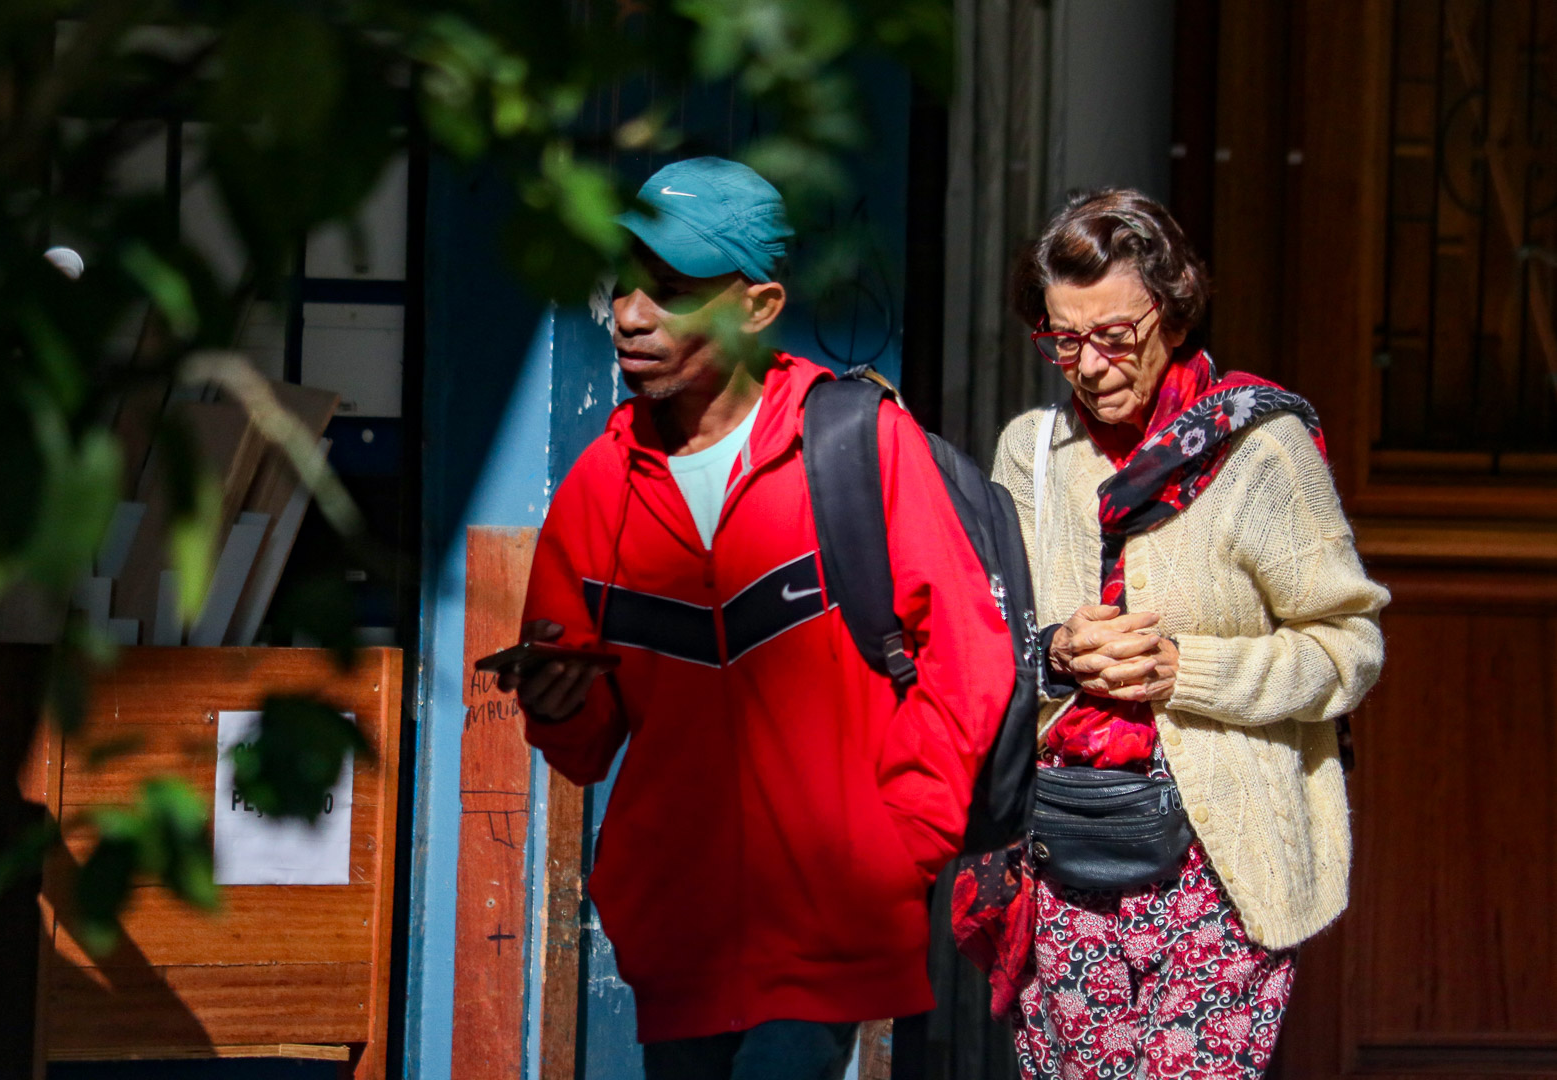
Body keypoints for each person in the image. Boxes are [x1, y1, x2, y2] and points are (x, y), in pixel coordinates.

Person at [501, 156, 1015, 1080]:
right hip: (676, 943)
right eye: (624, 284)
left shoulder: (862, 445)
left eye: (670, 290)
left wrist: (899, 844)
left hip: (835, 927)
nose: (628, 313)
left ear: (761, 305)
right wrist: (554, 702)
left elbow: (970, 664)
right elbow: (584, 745)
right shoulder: (595, 492)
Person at [962, 188, 1389, 1079]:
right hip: (1064, 853)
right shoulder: (1030, 454)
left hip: (1221, 865)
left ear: (1175, 310)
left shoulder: (1258, 451)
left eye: (1115, 335)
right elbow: (982, 648)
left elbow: (1346, 647)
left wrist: (1182, 670)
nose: (1089, 364)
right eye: (1062, 339)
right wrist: (1055, 655)